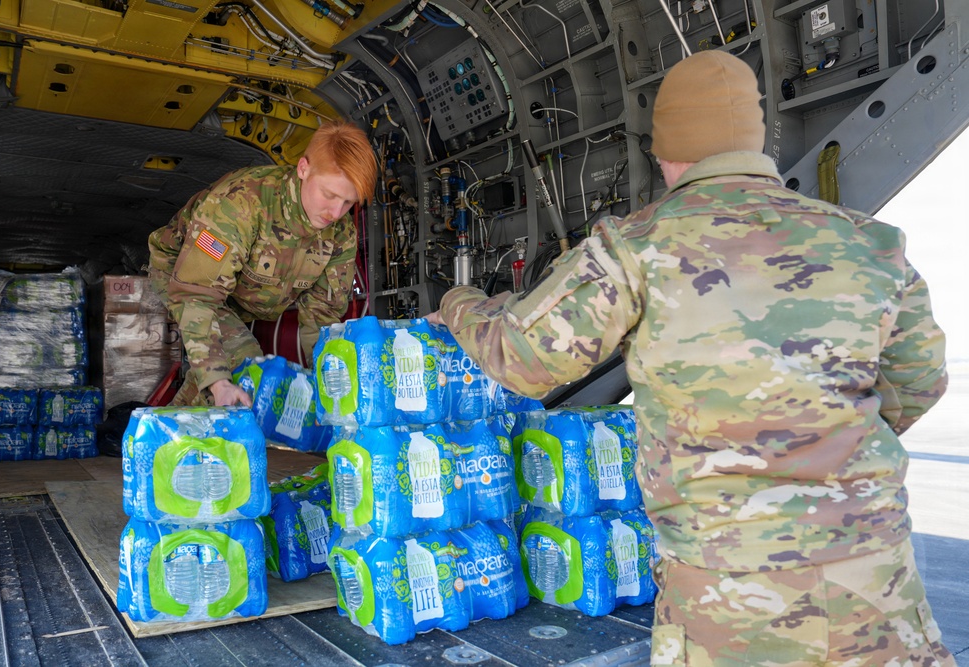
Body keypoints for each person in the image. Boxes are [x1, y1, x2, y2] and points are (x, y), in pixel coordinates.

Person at [430, 51, 952, 665]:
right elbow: (918, 384)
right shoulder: (873, 243)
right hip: (878, 589)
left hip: (727, 600)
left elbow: (520, 358)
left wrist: (460, 301)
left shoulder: (636, 250)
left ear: (668, 151)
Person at [148, 120, 377, 407]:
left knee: (215, 372)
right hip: (185, 274)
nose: (335, 212)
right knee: (246, 365)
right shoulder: (240, 205)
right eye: (329, 195)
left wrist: (330, 389)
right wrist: (218, 384)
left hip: (238, 294)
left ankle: (163, 434)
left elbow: (321, 317)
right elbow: (197, 295)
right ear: (303, 168)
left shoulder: (340, 233)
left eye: (348, 202)